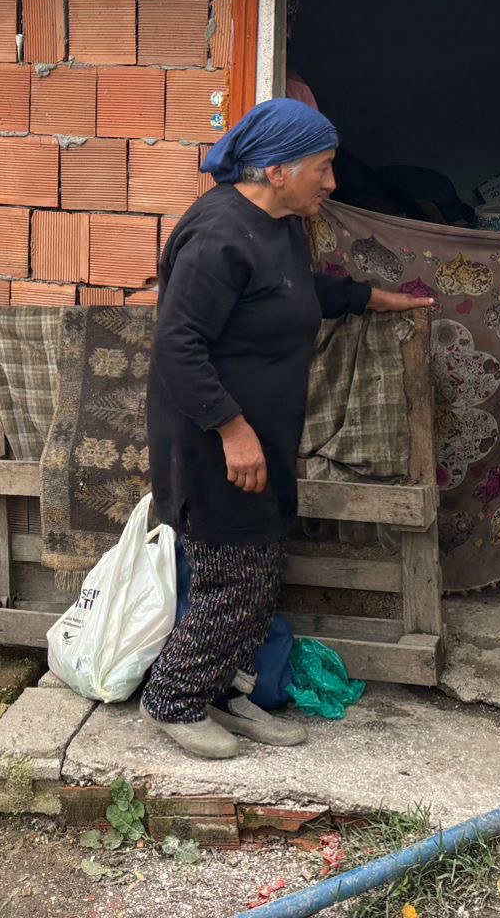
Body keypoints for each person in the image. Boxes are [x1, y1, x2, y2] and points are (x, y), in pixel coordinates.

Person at [139, 98, 429, 759]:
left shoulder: (281, 227)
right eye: (322, 168)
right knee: (232, 582)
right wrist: (232, 431)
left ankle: (226, 693)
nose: (332, 182)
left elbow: (292, 293)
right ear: (276, 171)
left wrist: (367, 298)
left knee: (260, 573)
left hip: (262, 440)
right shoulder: (217, 237)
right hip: (212, 446)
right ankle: (174, 699)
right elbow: (178, 347)